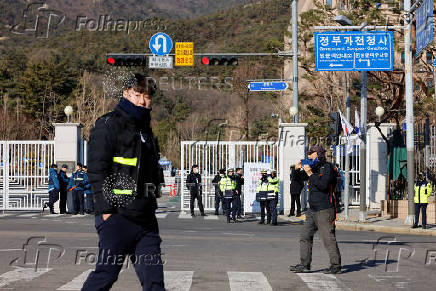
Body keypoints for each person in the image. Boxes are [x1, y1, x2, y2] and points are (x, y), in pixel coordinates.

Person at [82, 73, 165, 290]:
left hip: (145, 219)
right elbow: (97, 170)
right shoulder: (108, 125)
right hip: (118, 216)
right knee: (105, 276)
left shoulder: (146, 131)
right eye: (137, 94)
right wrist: (107, 211)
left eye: (146, 96)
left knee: (154, 282)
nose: (141, 101)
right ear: (125, 93)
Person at [290, 145, 342, 274]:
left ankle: (335, 266)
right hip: (312, 209)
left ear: (318, 154)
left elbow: (323, 185)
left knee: (328, 238)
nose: (308, 156)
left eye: (311, 153)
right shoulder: (313, 167)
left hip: (325, 209)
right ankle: (304, 264)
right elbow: (297, 180)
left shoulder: (327, 167)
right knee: (305, 235)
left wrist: (310, 173)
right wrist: (296, 169)